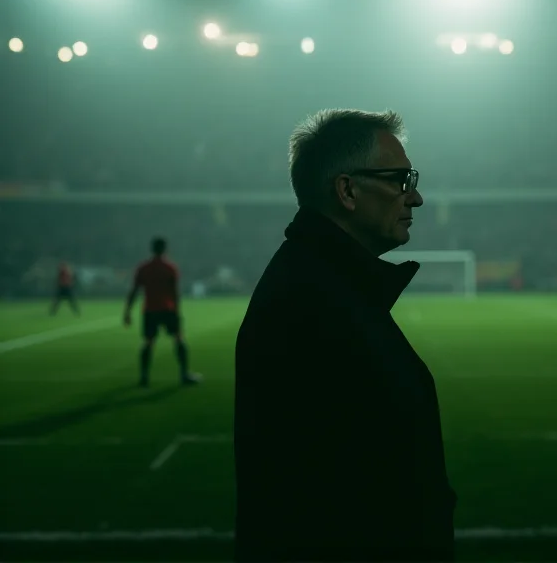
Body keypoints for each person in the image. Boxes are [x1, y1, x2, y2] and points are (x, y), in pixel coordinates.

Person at [235, 109, 456, 562]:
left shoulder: (326, 286)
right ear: (347, 190)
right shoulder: (312, 305)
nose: (415, 198)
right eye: (400, 179)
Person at [123, 237, 200, 388]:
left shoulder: (143, 268)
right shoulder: (170, 268)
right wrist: (177, 311)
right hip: (168, 309)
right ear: (165, 249)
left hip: (150, 310)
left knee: (148, 342)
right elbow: (175, 292)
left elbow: (135, 291)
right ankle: (184, 374)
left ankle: (144, 377)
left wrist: (127, 311)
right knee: (178, 338)